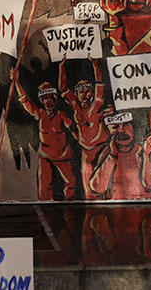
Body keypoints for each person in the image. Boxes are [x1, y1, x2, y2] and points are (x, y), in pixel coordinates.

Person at [10, 69, 77, 200]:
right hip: (45, 155)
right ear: (41, 100)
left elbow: (73, 129)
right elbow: (25, 101)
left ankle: (69, 208)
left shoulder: (61, 115)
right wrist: (16, 81)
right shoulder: (40, 113)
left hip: (62, 155)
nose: (49, 101)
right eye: (45, 98)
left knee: (71, 183)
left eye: (52, 97)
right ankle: (46, 210)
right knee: (44, 187)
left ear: (56, 99)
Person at [58, 56, 108, 199]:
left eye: (88, 91)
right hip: (86, 152)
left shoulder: (97, 104)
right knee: (88, 192)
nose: (85, 94)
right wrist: (62, 65)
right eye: (81, 91)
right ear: (76, 94)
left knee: (101, 187)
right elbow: (63, 89)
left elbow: (99, 83)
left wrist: (95, 64)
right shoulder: (75, 107)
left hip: (101, 149)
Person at [89, 106, 151, 199]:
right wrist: (112, 156)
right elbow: (97, 188)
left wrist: (147, 155)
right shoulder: (107, 153)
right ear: (108, 131)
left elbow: (150, 185)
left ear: (133, 127)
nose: (121, 130)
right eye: (115, 127)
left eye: (126, 125)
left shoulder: (143, 149)